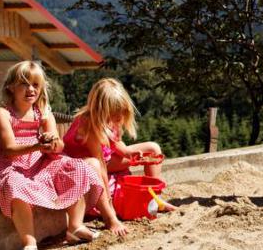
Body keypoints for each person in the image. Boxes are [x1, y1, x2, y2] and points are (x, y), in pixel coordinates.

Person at [0, 61, 125, 250]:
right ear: (10, 87)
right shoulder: (2, 114)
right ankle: (30, 244)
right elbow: (8, 149)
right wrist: (37, 145)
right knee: (14, 185)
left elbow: (59, 146)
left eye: (35, 85)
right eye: (24, 84)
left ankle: (75, 226)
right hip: (12, 167)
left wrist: (53, 141)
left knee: (78, 167)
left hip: (40, 163)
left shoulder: (42, 111)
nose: (31, 89)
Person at [62, 78, 178, 216]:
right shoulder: (89, 123)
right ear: (100, 110)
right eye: (113, 114)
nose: (118, 118)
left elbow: (116, 142)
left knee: (153, 149)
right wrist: (108, 203)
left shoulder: (111, 119)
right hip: (86, 164)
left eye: (120, 112)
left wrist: (128, 154)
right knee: (130, 165)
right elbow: (100, 165)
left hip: (106, 158)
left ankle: (156, 198)